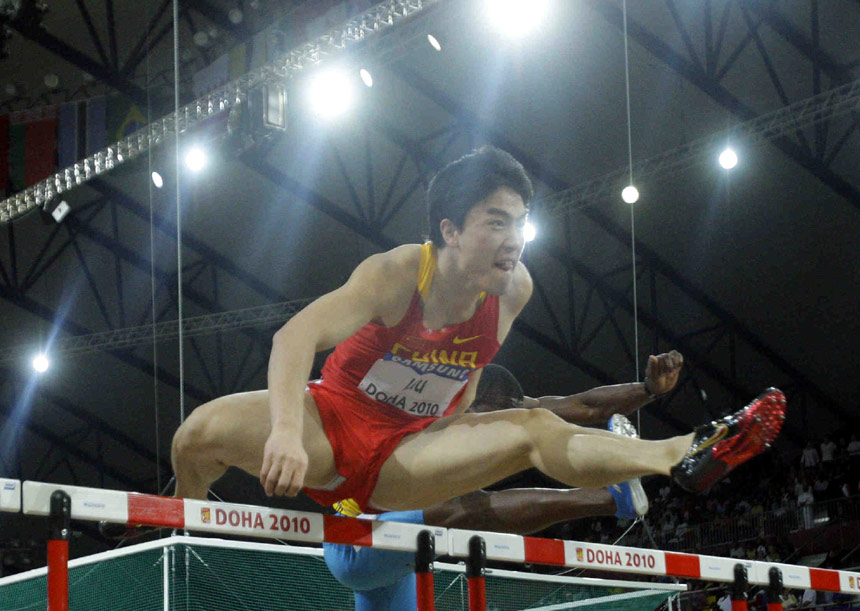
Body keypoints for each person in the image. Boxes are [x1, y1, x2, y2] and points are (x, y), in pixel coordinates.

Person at [165, 146, 784, 519]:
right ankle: (185, 533)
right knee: (193, 437)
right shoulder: (396, 274)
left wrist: (456, 433)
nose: (515, 240)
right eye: (496, 222)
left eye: (521, 223)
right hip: (326, 428)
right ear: (450, 231)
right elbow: (293, 339)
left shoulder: (514, 291)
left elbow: (465, 378)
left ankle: (681, 453)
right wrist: (283, 433)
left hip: (405, 458)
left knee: (535, 428)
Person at [323, 363, 656, 611]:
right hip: (356, 540)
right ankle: (611, 497)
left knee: (463, 501)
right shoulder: (426, 408)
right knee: (462, 506)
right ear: (470, 405)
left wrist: (648, 388)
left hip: (391, 560)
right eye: (492, 422)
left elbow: (584, 405)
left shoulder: (500, 404)